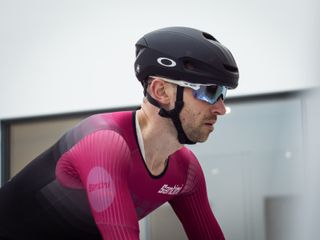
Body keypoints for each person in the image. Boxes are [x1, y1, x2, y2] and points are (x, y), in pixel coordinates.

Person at [0, 26, 239, 239]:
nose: (220, 108)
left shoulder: (186, 171)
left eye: (223, 94)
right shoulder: (105, 142)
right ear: (161, 91)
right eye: (209, 91)